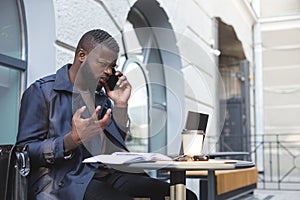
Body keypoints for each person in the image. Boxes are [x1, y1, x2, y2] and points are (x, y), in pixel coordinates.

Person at [17, 29, 197, 200]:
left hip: (106, 174)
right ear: (82, 56)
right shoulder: (42, 92)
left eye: (112, 66)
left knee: (184, 195)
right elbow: (23, 151)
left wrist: (120, 105)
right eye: (103, 64)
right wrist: (70, 140)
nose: (109, 72)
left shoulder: (101, 97)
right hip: (64, 181)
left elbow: (115, 146)